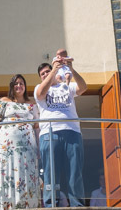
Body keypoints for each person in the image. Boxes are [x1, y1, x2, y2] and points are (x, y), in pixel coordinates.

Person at [35, 49, 87, 207]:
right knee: (51, 173)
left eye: (47, 72)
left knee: (74, 171)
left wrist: (71, 69)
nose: (45, 74)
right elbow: (41, 93)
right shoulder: (40, 88)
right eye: (42, 73)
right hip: (49, 134)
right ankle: (51, 205)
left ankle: (77, 204)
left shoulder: (67, 86)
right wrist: (53, 71)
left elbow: (83, 87)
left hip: (72, 131)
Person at [0, 74, 42, 210]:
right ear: (12, 87)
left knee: (27, 173)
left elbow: (36, 127)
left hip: (28, 149)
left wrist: (39, 146)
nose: (19, 86)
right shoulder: (4, 101)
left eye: (21, 83)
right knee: (7, 172)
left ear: (25, 86)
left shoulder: (32, 105)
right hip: (6, 148)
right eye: (16, 84)